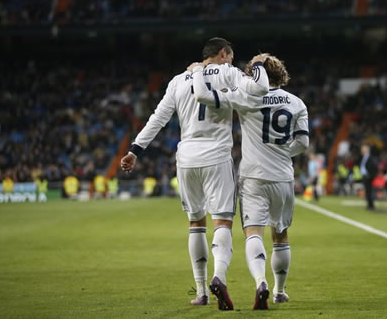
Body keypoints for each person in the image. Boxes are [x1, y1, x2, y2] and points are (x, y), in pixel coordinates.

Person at [120, 37, 269, 310]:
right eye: (230, 57)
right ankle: (218, 276)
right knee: (222, 222)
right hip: (217, 156)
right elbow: (256, 92)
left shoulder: (178, 80)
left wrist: (134, 150)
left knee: (195, 223)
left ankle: (201, 291)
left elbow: (158, 118)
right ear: (223, 54)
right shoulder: (229, 73)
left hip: (186, 158)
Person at [190, 54, 309, 309]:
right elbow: (303, 142)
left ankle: (260, 281)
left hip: (253, 175)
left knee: (253, 232)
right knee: (280, 234)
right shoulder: (297, 103)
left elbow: (208, 98)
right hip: (283, 176)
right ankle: (279, 291)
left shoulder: (246, 97)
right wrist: (280, 152)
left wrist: (201, 73)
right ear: (281, 74)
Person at [359, 144, 377, 210]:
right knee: (367, 191)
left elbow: (373, 167)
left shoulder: (370, 157)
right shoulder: (363, 157)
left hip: (368, 176)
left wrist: (370, 175)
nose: (361, 150)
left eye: (362, 149)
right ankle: (369, 204)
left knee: (369, 191)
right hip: (364, 176)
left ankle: (371, 205)